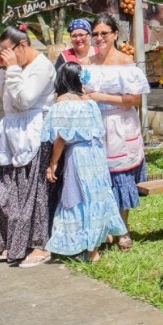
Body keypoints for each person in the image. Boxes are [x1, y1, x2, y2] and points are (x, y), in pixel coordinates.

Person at [42, 62, 128, 263]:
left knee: (78, 197)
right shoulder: (89, 102)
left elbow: (61, 138)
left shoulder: (62, 102)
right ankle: (99, 241)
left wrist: (52, 164)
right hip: (96, 154)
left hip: (78, 156)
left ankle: (90, 251)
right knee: (97, 195)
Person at [0, 24, 56, 267]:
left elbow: (26, 99)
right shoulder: (13, 66)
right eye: (0, 52)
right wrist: (1, 69)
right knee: (2, 188)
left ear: (23, 45)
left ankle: (38, 245)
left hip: (33, 131)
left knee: (31, 194)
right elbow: (6, 95)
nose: (4, 55)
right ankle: (10, 241)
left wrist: (14, 69)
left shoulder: (42, 66)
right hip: (11, 130)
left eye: (7, 50)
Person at [83, 14, 150, 252]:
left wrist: (100, 97)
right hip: (94, 125)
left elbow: (135, 100)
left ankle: (122, 228)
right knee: (98, 178)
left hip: (120, 124)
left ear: (114, 35)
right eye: (96, 34)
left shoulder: (125, 62)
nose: (99, 38)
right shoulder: (87, 63)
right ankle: (102, 230)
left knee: (120, 177)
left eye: (104, 33)